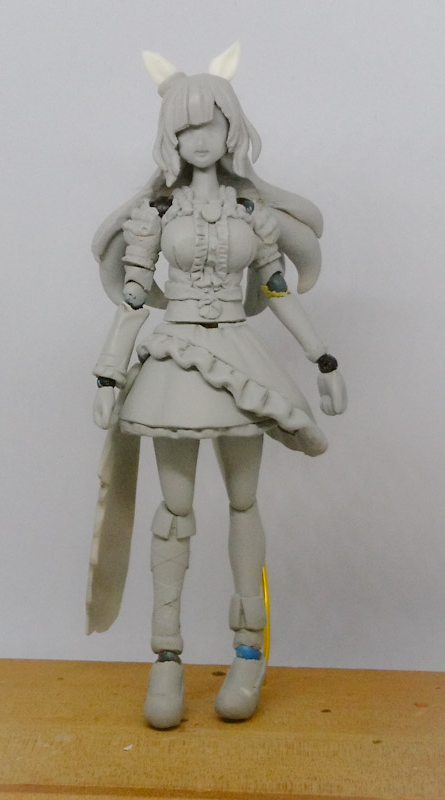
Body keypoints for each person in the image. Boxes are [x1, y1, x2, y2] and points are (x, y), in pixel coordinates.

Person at [87, 43, 347, 729]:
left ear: (232, 129)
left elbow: (277, 290)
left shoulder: (251, 216)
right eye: (184, 128)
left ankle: (248, 649)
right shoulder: (157, 216)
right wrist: (110, 371)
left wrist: (322, 358)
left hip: (237, 355)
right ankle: (166, 656)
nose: (198, 138)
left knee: (242, 503)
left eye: (210, 124)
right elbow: (134, 298)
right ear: (169, 138)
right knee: (175, 510)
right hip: (174, 356)